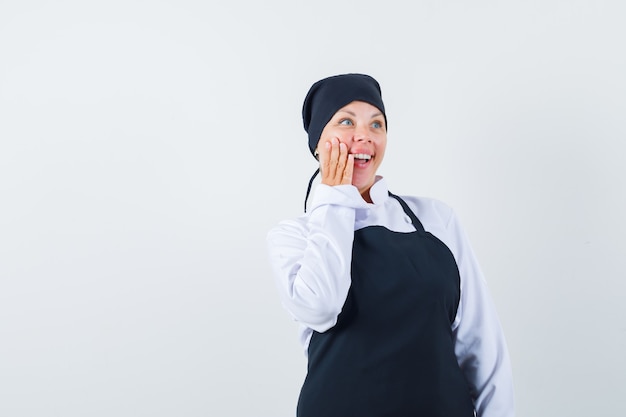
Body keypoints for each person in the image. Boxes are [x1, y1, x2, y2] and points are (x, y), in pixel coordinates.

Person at [266, 73, 514, 417]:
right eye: (346, 121)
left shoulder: (436, 219)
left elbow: (481, 345)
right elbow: (321, 307)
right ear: (319, 142)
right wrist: (335, 198)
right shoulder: (294, 235)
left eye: (377, 124)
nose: (363, 136)